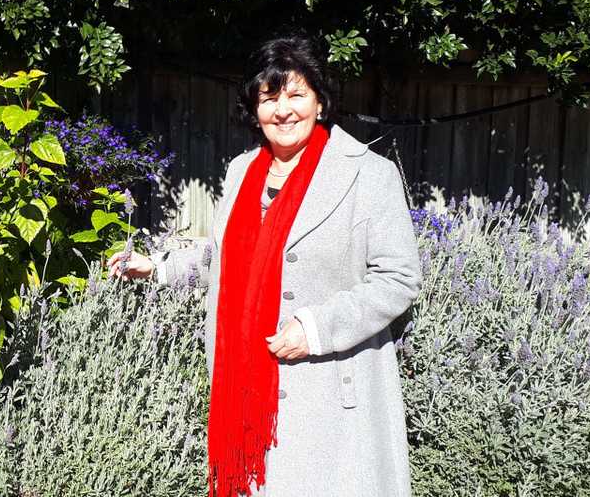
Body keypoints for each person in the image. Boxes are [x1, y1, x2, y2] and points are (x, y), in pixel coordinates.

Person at [110, 36, 420, 497]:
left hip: (332, 400)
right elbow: (226, 255)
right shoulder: (241, 172)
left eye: (296, 94)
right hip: (248, 398)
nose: (283, 110)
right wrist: (156, 266)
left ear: (320, 101)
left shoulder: (368, 174)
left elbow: (398, 279)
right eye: (269, 97)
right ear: (254, 108)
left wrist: (314, 329)